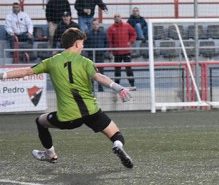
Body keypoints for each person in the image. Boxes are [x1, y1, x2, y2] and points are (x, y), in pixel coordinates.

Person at [0, 28, 134, 168]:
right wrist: (118, 88)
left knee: (40, 121)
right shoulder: (85, 62)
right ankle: (117, 145)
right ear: (76, 44)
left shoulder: (51, 61)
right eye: (82, 43)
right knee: (115, 134)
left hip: (68, 117)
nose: (82, 46)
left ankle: (50, 154)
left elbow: (26, 71)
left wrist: (2, 75)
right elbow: (99, 77)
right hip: (91, 111)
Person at [107, 14, 137, 88]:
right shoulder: (111, 28)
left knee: (129, 69)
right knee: (117, 70)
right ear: (113, 19)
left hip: (126, 51)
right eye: (115, 17)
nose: (117, 18)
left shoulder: (127, 26)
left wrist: (130, 42)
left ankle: (132, 84)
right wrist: (111, 51)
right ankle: (117, 86)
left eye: (118, 17)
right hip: (117, 52)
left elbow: (134, 34)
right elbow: (110, 41)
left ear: (121, 18)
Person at [86, 19, 108, 92]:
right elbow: (85, 44)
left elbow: (106, 43)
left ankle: (100, 88)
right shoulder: (88, 34)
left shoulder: (103, 33)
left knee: (100, 73)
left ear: (98, 25)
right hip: (91, 56)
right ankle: (91, 89)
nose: (95, 25)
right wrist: (89, 51)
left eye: (96, 24)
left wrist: (103, 50)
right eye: (94, 24)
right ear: (92, 25)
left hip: (100, 56)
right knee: (91, 72)